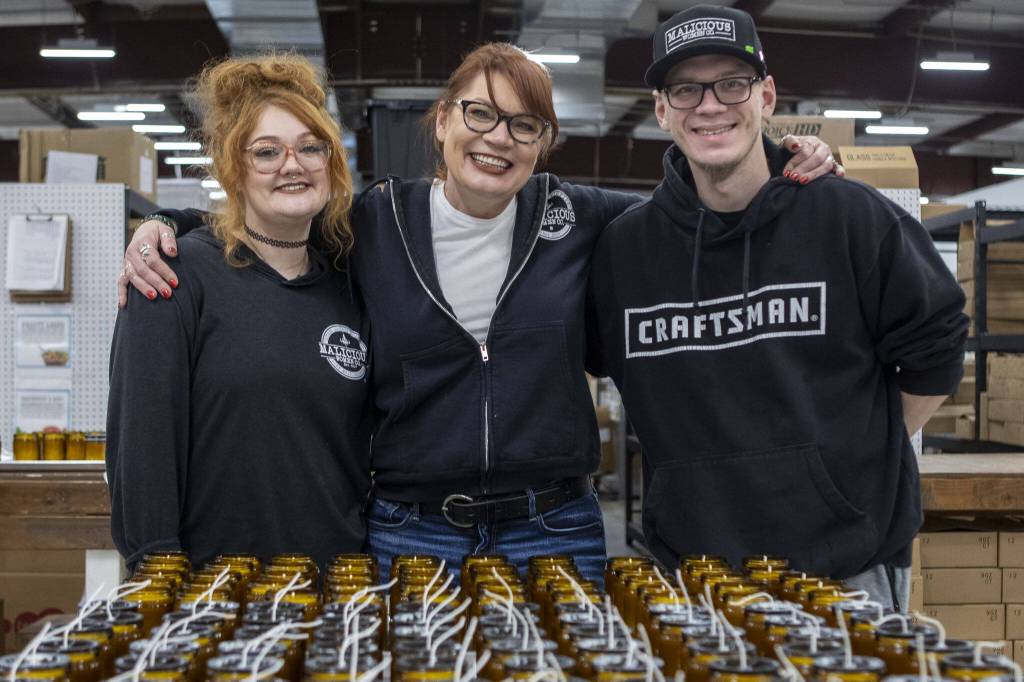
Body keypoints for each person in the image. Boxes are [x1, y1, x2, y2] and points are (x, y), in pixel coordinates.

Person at [118, 43, 839, 582]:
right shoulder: (375, 223)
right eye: (480, 114)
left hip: (553, 526)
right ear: (442, 121)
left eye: (525, 126)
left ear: (543, 145)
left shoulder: (578, 216)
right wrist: (174, 224)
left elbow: (690, 212)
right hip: (412, 533)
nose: (498, 138)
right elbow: (275, 219)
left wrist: (777, 158)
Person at [586, 5, 968, 609]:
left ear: (765, 96)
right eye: (686, 89)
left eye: (731, 84)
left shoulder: (851, 219)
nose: (709, 106)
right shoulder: (624, 252)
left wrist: (848, 464)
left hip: (842, 575)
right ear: (662, 110)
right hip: (693, 578)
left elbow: (938, 345)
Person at [106, 53, 371, 570]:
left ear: (330, 160)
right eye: (266, 152)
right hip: (214, 592)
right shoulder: (174, 275)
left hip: (337, 588)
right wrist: (159, 575)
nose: (292, 165)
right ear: (235, 167)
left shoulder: (350, 280)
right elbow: (142, 449)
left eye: (310, 147)